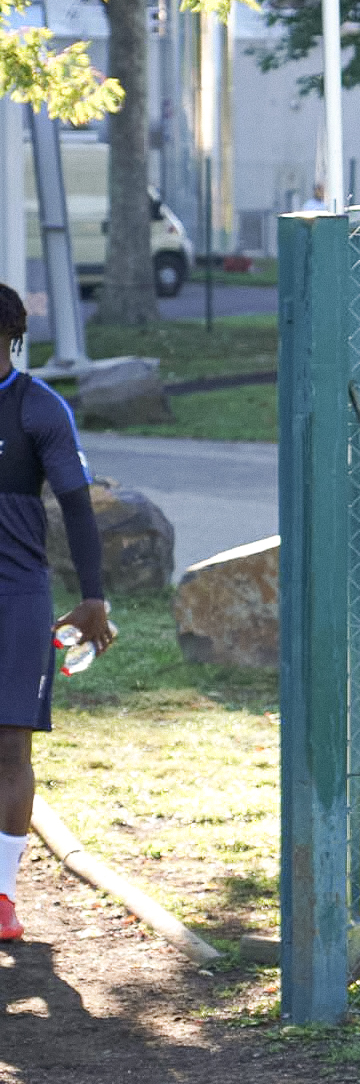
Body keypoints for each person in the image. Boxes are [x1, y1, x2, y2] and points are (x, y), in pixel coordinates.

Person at [0, 282, 115, 942]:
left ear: (11, 339)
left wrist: (94, 595)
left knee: (10, 746)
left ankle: (3, 896)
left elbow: (75, 505)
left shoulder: (39, 409)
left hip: (16, 598)